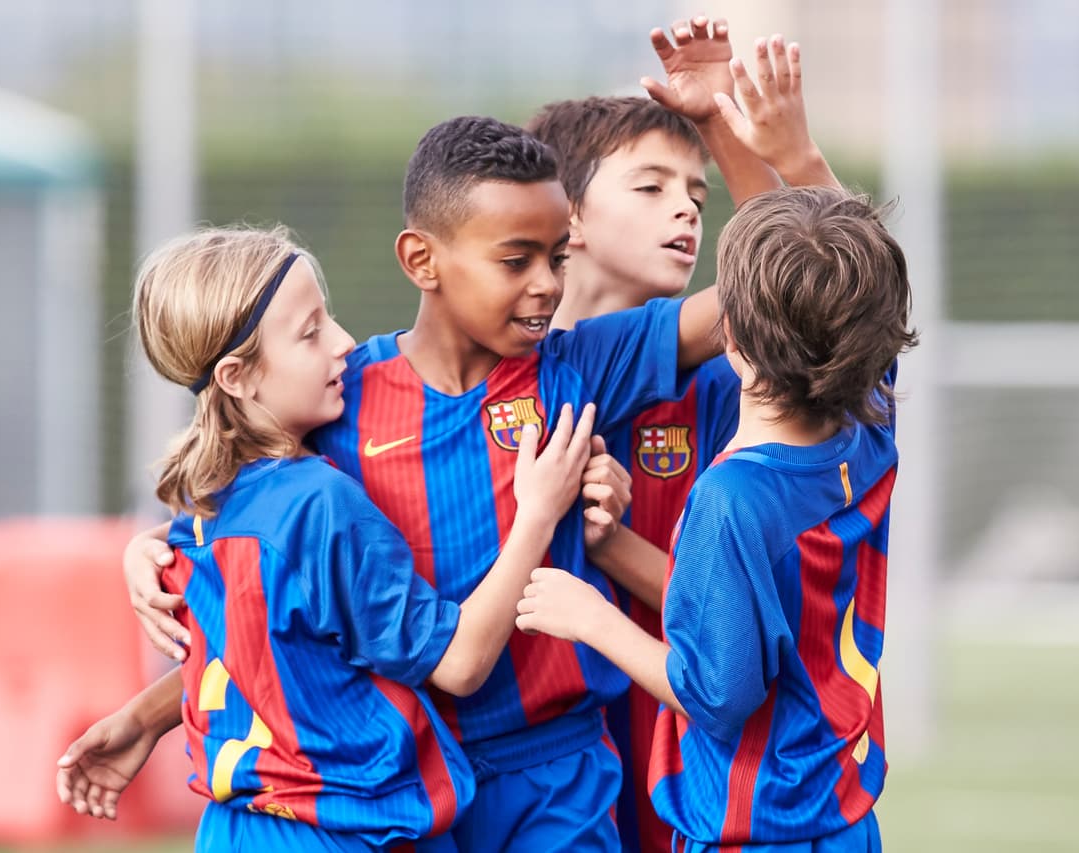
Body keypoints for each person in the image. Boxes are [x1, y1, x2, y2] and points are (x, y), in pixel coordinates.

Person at [69, 18, 785, 851]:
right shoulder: (345, 400)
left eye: (558, 257)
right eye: (517, 260)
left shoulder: (580, 366)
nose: (548, 285)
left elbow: (774, 290)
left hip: (560, 780)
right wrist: (150, 697)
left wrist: (722, 126)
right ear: (422, 260)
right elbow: (278, 602)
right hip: (414, 779)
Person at [84, 224, 599, 851]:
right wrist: (538, 515)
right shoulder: (318, 503)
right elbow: (458, 665)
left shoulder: (206, 515)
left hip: (233, 832)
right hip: (344, 830)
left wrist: (143, 713)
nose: (344, 344)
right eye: (310, 333)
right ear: (236, 377)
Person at [513, 184, 918, 852]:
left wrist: (590, 616)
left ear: (728, 333)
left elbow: (718, 693)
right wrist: (611, 543)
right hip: (843, 818)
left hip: (755, 826)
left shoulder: (730, 497)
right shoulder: (868, 430)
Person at [525, 27, 838, 853]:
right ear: (567, 220)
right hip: (537, 761)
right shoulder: (490, 378)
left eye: (698, 195)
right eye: (653, 186)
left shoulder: (735, 389)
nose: (687, 211)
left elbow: (803, 277)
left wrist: (727, 128)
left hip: (688, 735)